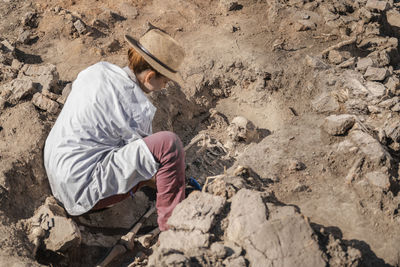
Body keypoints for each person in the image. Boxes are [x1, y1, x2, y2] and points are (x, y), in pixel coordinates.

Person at [43, 29, 186, 231]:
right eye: (165, 81)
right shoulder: (136, 107)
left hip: (59, 171)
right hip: (81, 190)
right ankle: (172, 226)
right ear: (150, 76)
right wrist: (173, 179)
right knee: (168, 145)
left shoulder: (98, 70)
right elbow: (148, 163)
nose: (164, 86)